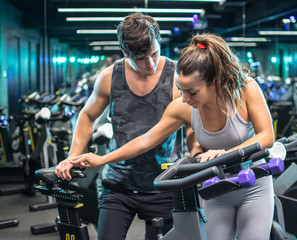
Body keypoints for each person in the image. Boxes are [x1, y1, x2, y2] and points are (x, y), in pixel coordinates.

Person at [66, 33, 275, 240]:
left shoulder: (245, 89)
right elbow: (145, 141)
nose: (184, 98)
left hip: (253, 188)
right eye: (181, 90)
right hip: (216, 191)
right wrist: (103, 159)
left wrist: (225, 155)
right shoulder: (183, 108)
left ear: (213, 82)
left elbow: (266, 136)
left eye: (191, 92)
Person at [55, 13, 201, 240]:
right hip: (118, 184)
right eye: (142, 58)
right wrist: (74, 156)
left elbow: (191, 123)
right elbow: (86, 116)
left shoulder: (177, 77)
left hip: (163, 184)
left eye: (154, 53)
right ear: (125, 53)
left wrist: (196, 154)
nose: (150, 63)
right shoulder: (109, 78)